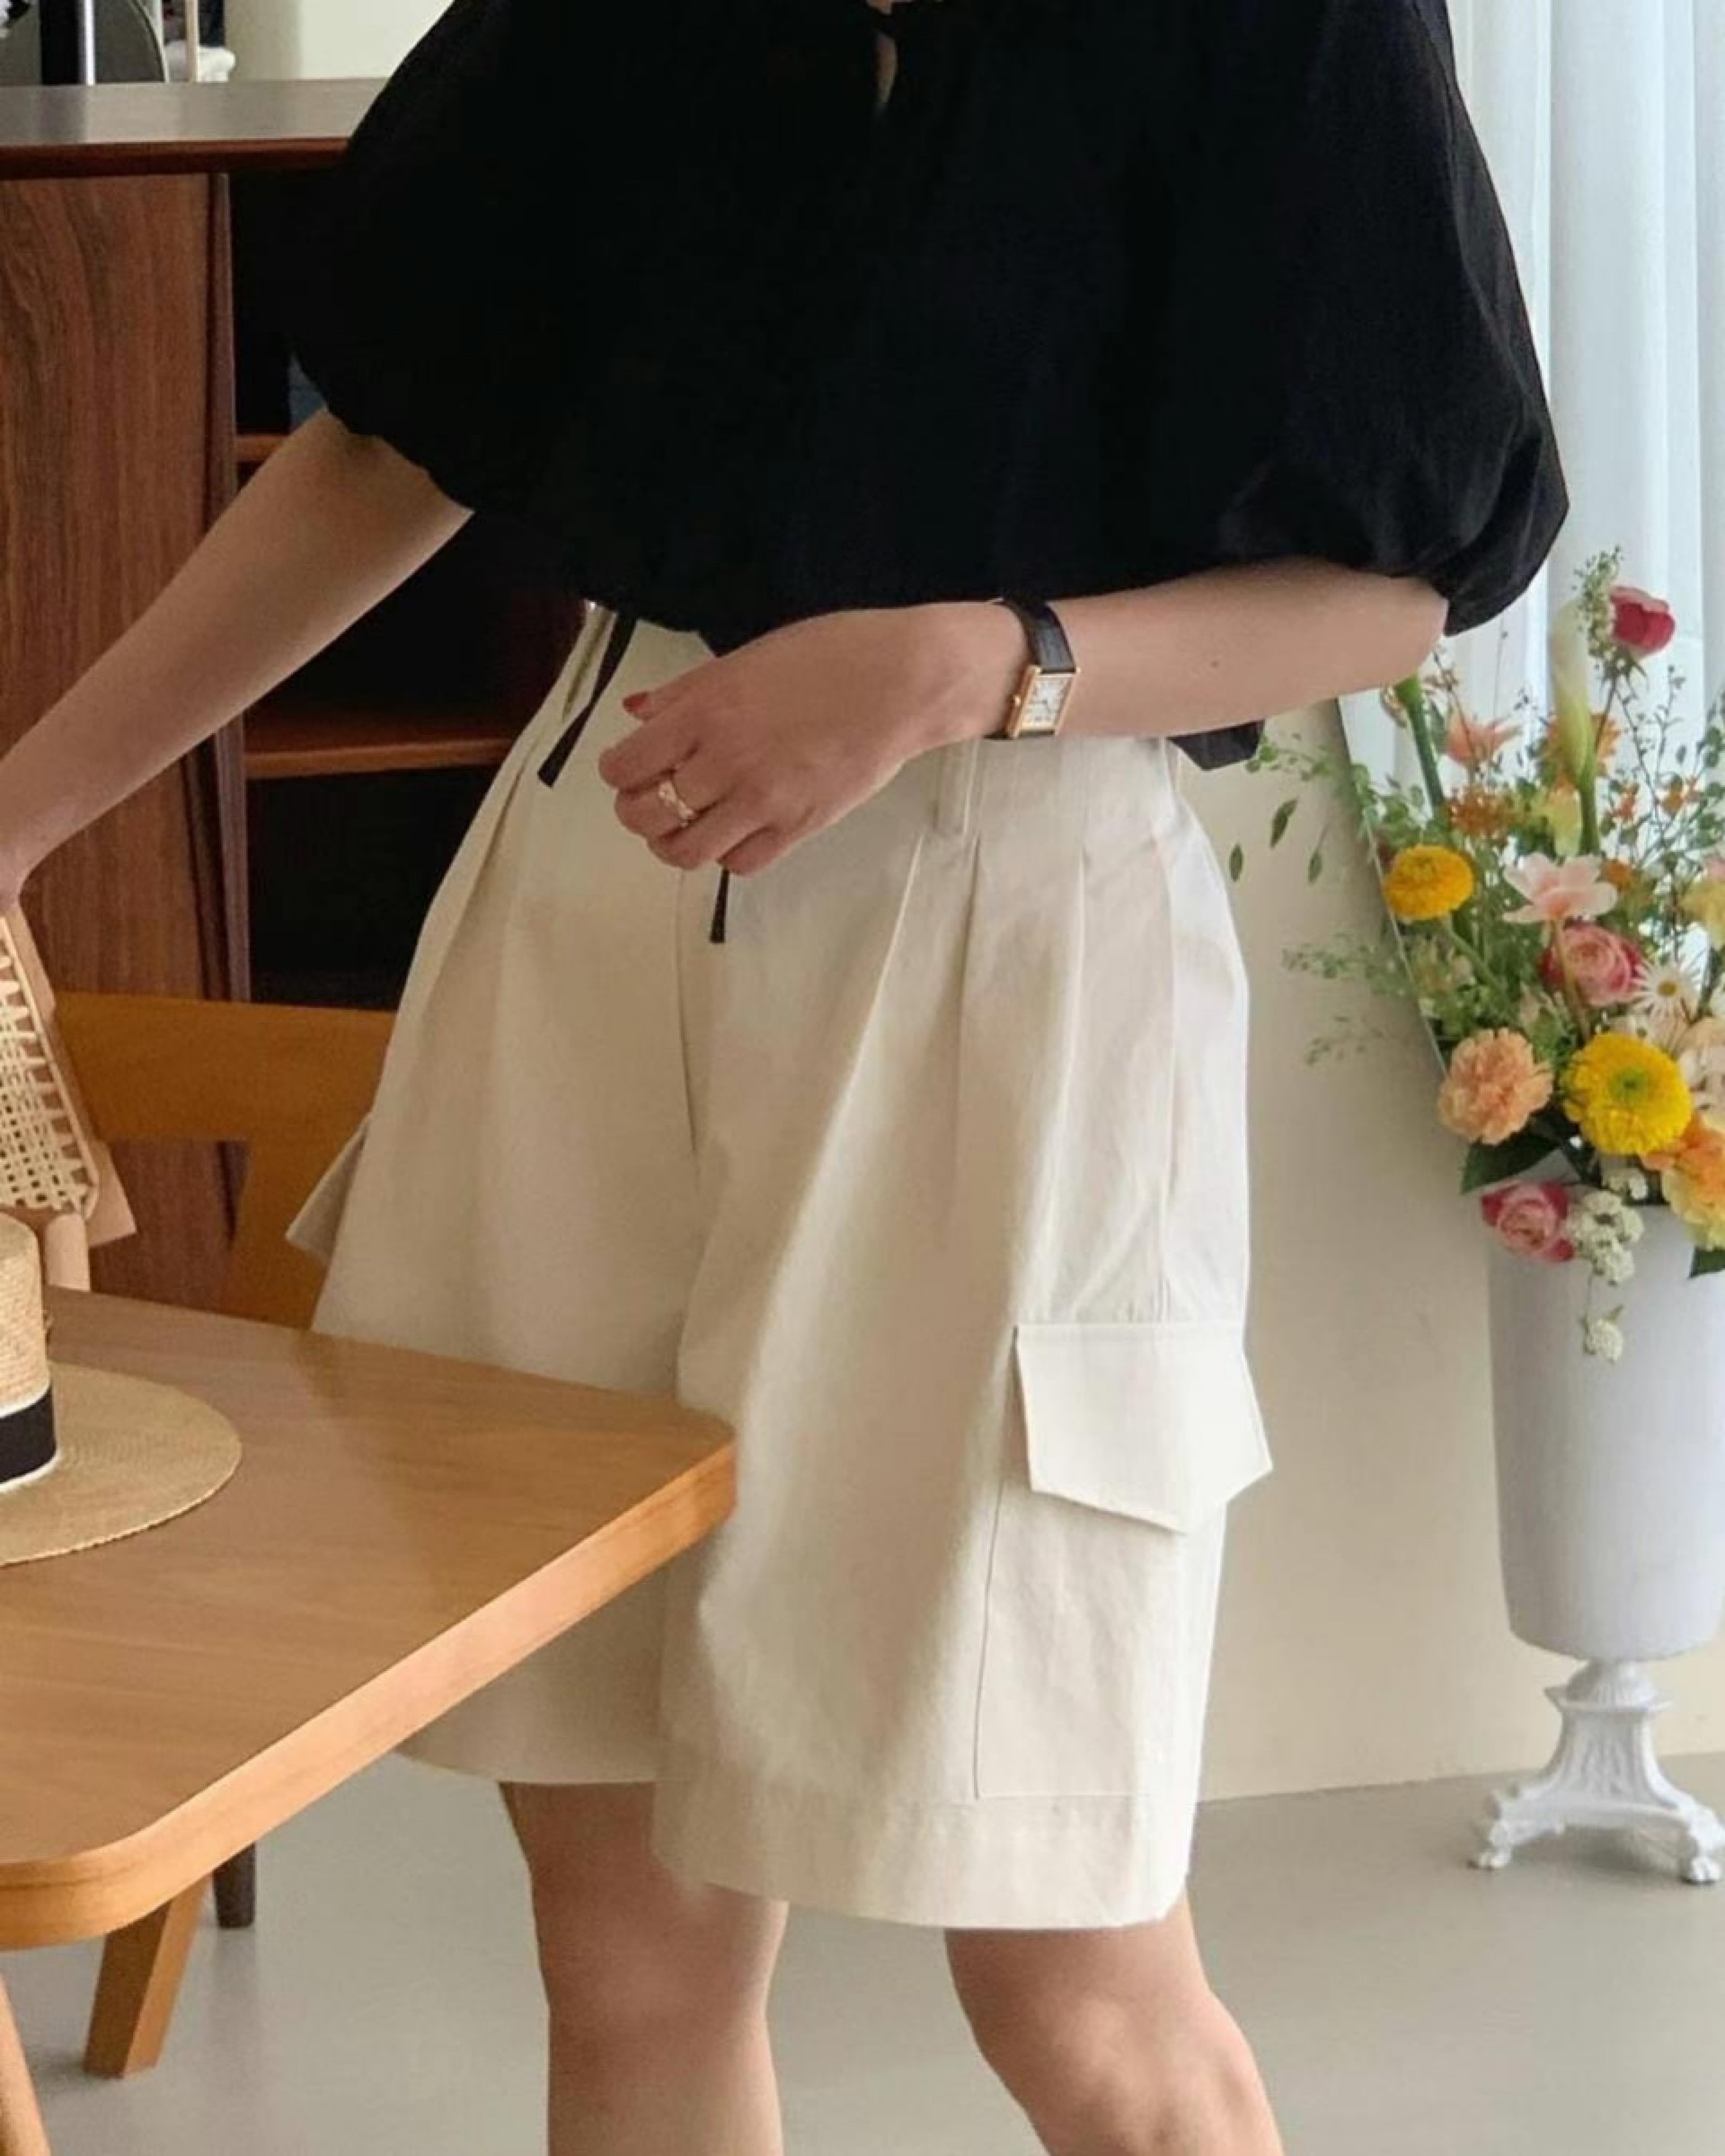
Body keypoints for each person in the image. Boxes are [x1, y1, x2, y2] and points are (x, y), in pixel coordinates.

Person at [0, 0, 1566, 2148]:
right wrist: (15, 818)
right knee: (624, 1949)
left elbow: (1393, 587)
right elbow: (398, 444)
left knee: (1074, 1967)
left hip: (1012, 935)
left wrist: (980, 663)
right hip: (586, 903)